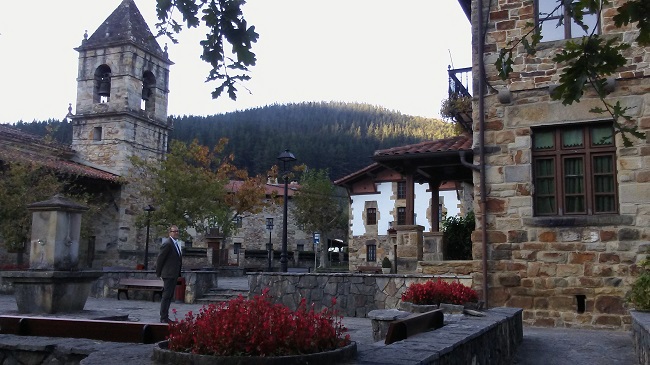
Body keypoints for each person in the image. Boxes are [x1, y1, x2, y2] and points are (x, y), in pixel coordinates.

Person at [156, 225, 182, 323]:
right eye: (174, 231)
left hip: (173, 274)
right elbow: (160, 259)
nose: (176, 233)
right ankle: (163, 317)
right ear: (170, 232)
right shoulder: (167, 244)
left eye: (177, 231)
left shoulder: (175, 243)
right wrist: (159, 273)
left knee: (169, 296)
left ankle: (165, 316)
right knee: (166, 296)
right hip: (168, 274)